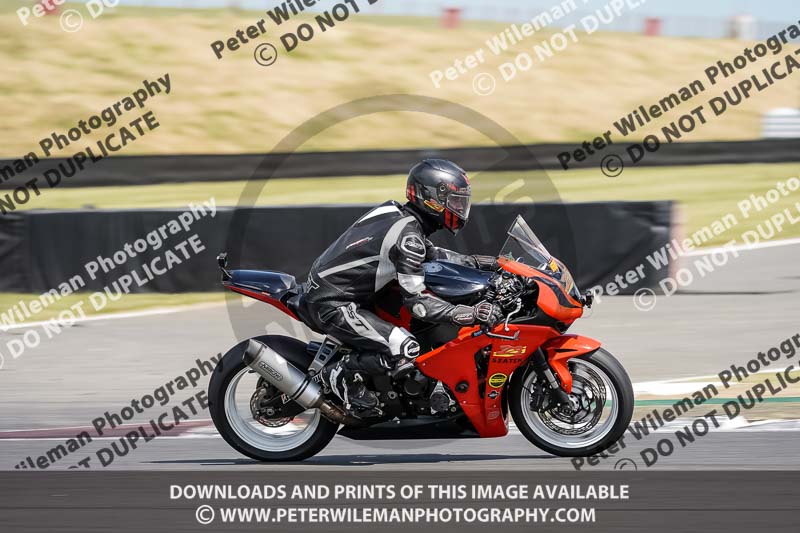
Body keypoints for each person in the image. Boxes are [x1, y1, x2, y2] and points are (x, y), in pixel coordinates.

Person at [304, 159, 501, 416]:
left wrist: (483, 263)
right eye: (454, 201)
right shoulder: (408, 237)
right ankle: (338, 374)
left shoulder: (400, 215)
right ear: (432, 198)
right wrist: (468, 314)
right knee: (405, 347)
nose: (460, 208)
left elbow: (433, 254)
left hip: (351, 295)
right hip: (334, 303)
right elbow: (418, 304)